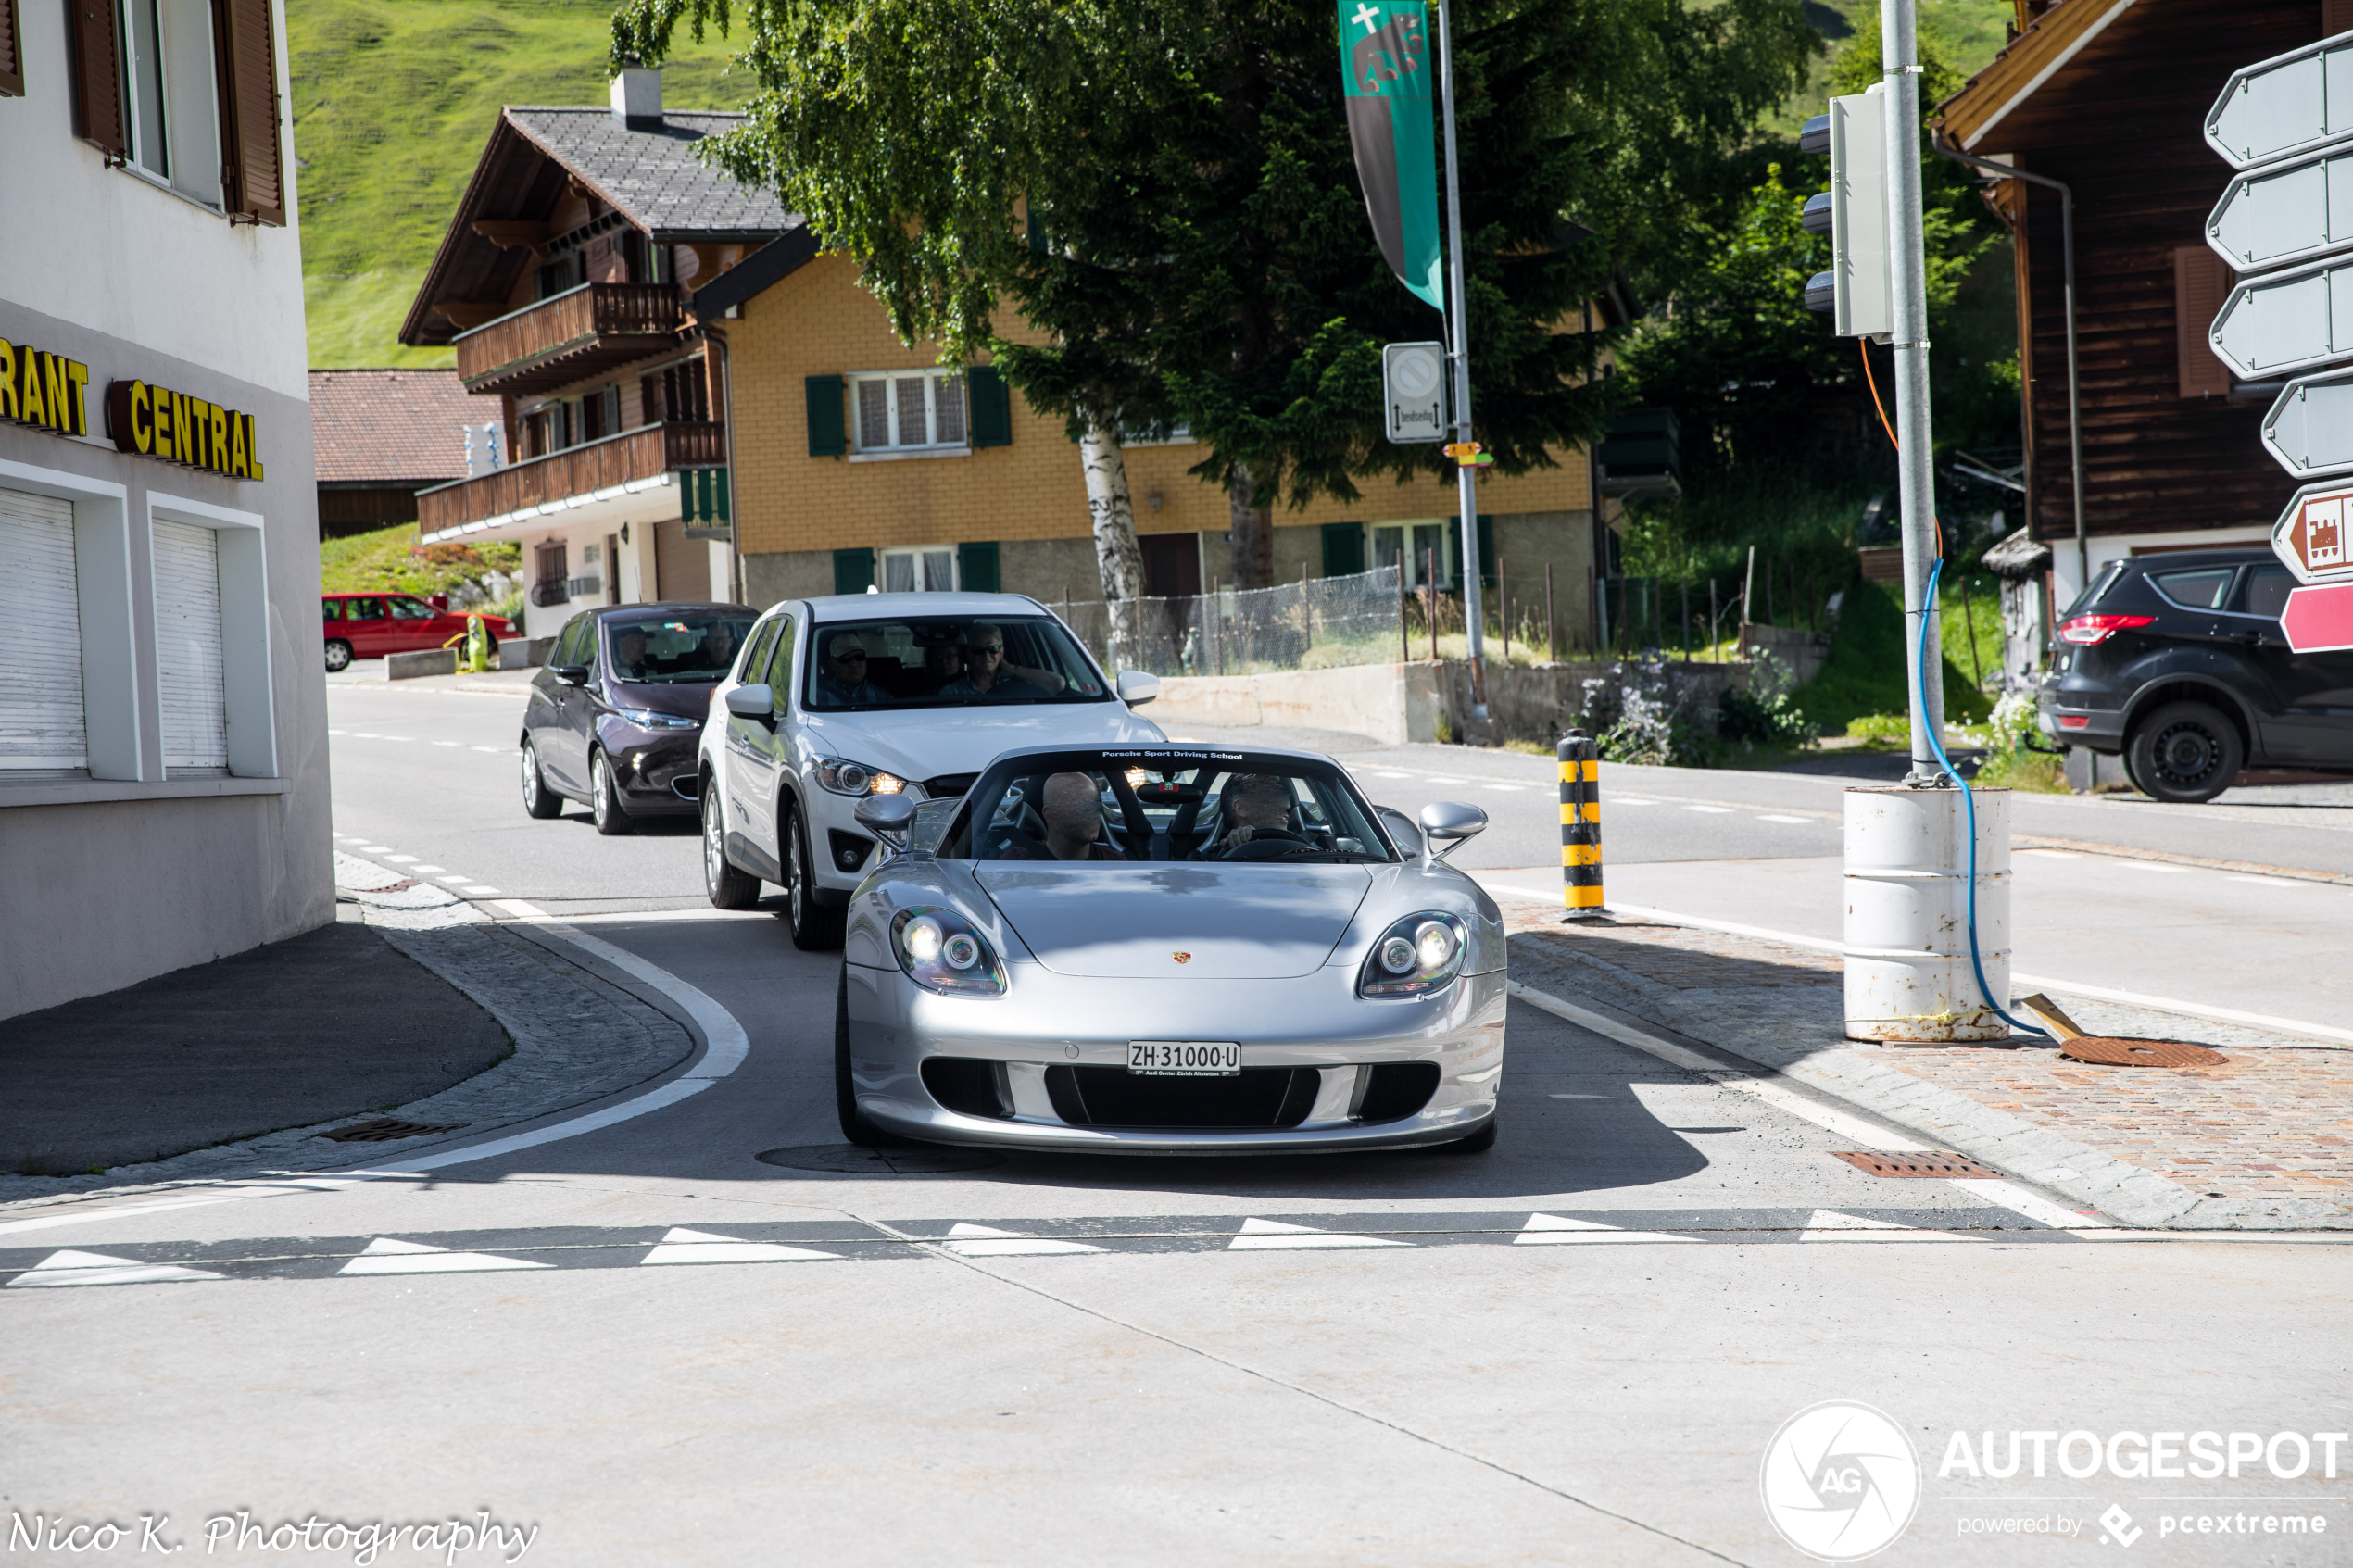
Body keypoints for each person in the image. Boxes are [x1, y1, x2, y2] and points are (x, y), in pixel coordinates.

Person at [1000, 771, 1128, 861]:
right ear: (1049, 814)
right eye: (1079, 805)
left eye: (1094, 806)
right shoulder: (1015, 863)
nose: (1093, 814)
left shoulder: (1115, 865)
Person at [938, 623, 1065, 698]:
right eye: (978, 650)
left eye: (993, 649)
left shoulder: (1019, 684)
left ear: (1001, 653)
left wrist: (1012, 670)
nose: (986, 655)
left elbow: (1057, 684)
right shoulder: (952, 692)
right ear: (969, 654)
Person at [1212, 773, 1302, 856]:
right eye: (1271, 796)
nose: (1288, 806)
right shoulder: (1213, 861)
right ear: (1241, 808)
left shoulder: (1308, 851)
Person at [814, 633, 891, 705]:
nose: (854, 664)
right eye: (846, 659)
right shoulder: (816, 696)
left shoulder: (883, 697)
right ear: (832, 665)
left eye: (859, 657)